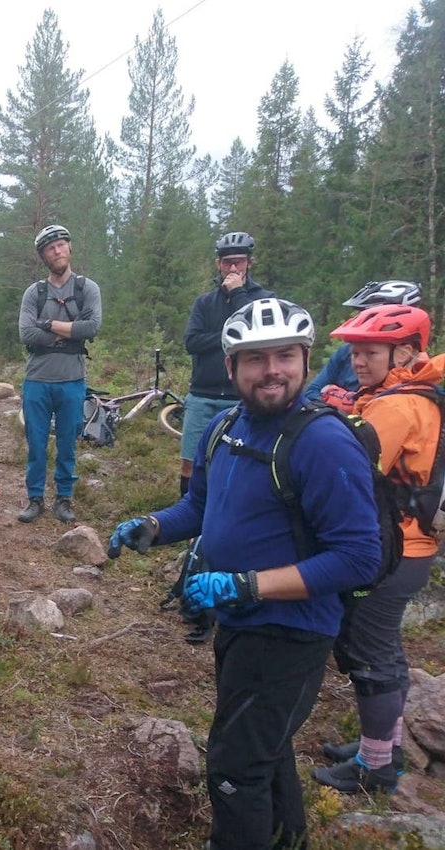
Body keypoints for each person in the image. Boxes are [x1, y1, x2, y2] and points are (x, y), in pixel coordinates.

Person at [107, 297, 381, 850]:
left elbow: (358, 558)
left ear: (307, 362)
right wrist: (155, 525)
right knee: (265, 747)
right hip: (240, 622)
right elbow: (202, 508)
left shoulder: (323, 442)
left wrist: (244, 584)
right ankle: (286, 838)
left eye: (285, 355)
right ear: (231, 368)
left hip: (292, 632)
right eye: (255, 358)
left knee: (235, 769)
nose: (272, 370)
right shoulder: (225, 426)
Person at [313, 303, 438, 794]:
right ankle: (385, 746)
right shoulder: (398, 394)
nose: (357, 361)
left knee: (369, 652)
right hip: (408, 543)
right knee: (385, 649)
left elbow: (348, 470)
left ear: (404, 352)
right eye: (354, 351)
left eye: (368, 352)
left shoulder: (399, 405)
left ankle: (376, 765)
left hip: (395, 549)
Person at [178, 231, 275, 496]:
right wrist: (230, 333)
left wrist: (238, 295)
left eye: (239, 262)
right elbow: (192, 343)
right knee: (190, 462)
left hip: (242, 396)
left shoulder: (264, 299)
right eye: (227, 262)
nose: (233, 268)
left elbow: (257, 335)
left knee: (239, 462)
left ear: (249, 263)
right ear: (218, 264)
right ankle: (191, 524)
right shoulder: (205, 302)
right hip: (202, 394)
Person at [17, 224, 102, 523]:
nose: (57, 250)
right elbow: (26, 332)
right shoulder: (35, 293)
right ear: (44, 256)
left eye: (61, 244)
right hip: (37, 380)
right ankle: (35, 498)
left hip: (72, 380)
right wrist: (70, 331)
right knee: (36, 442)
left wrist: (49, 325)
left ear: (69, 247)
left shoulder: (86, 288)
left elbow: (91, 328)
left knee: (68, 441)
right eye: (50, 248)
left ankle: (64, 499)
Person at [305, 280, 423, 411]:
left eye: (367, 314)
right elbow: (311, 393)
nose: (361, 320)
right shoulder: (346, 351)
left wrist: (346, 401)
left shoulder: (420, 368)